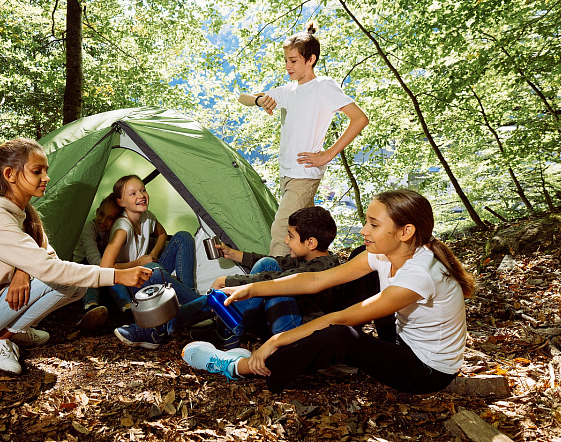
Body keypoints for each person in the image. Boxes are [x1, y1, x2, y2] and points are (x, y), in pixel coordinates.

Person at [183, 189, 475, 395]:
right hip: (401, 340)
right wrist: (251, 288)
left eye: (373, 224)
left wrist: (277, 340)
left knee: (340, 336)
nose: (363, 229)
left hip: (427, 371)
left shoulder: (420, 274)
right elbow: (317, 281)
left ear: (405, 232)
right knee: (359, 267)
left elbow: (344, 319)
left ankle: (237, 366)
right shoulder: (388, 254)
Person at [0, 139, 151, 374]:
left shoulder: (24, 216)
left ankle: (12, 330)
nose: (46, 177)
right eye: (37, 171)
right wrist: (117, 276)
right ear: (10, 175)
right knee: (64, 278)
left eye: (45, 170)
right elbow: (50, 269)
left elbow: (49, 258)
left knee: (77, 286)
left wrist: (23, 271)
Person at [114, 207, 382, 350]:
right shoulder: (311, 257)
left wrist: (232, 283)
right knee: (268, 263)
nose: (286, 241)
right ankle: (227, 331)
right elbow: (272, 265)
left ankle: (162, 329)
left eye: (290, 236)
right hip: (282, 320)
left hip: (298, 331)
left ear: (310, 242)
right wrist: (232, 254)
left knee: (276, 286)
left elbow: (283, 278)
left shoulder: (322, 266)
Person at [238, 20, 369, 257]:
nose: (288, 66)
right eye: (286, 60)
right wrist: (260, 100)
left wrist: (327, 155)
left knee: (281, 232)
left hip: (304, 173)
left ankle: (272, 285)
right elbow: (242, 97)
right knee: (305, 234)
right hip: (287, 173)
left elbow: (360, 118)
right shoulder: (289, 91)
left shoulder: (323, 86)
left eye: (294, 61)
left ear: (311, 60)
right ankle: (312, 277)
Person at [100, 174, 196, 312]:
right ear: (121, 202)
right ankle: (200, 304)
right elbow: (105, 267)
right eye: (133, 194)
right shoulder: (122, 229)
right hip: (131, 282)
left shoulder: (148, 216)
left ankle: (188, 296)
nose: (141, 195)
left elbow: (162, 234)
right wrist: (138, 263)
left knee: (183, 236)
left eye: (143, 190)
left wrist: (153, 253)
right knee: (153, 269)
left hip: (147, 271)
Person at [72, 193, 123, 330]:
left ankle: (127, 309)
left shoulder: (116, 232)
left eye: (110, 218)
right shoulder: (90, 227)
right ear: (97, 211)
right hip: (83, 267)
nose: (103, 220)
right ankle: (90, 307)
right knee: (93, 270)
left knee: (112, 273)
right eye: (101, 214)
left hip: (103, 270)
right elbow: (94, 260)